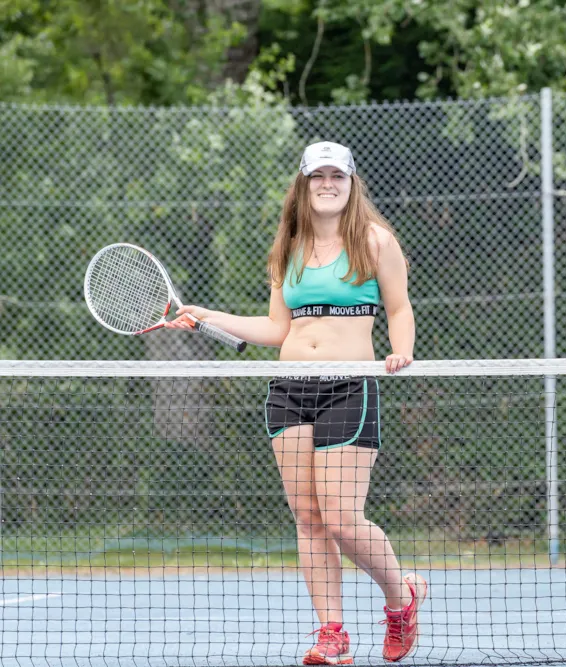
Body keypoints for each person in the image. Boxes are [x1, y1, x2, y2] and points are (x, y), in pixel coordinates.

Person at [166, 140, 427, 665]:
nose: (327, 184)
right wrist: (207, 316)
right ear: (303, 184)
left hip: (348, 387)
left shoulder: (376, 242)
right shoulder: (287, 247)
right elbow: (275, 327)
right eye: (317, 176)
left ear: (351, 184)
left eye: (337, 175)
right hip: (289, 390)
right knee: (308, 517)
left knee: (341, 519)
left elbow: (399, 308)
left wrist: (402, 352)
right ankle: (332, 635)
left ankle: (401, 598)